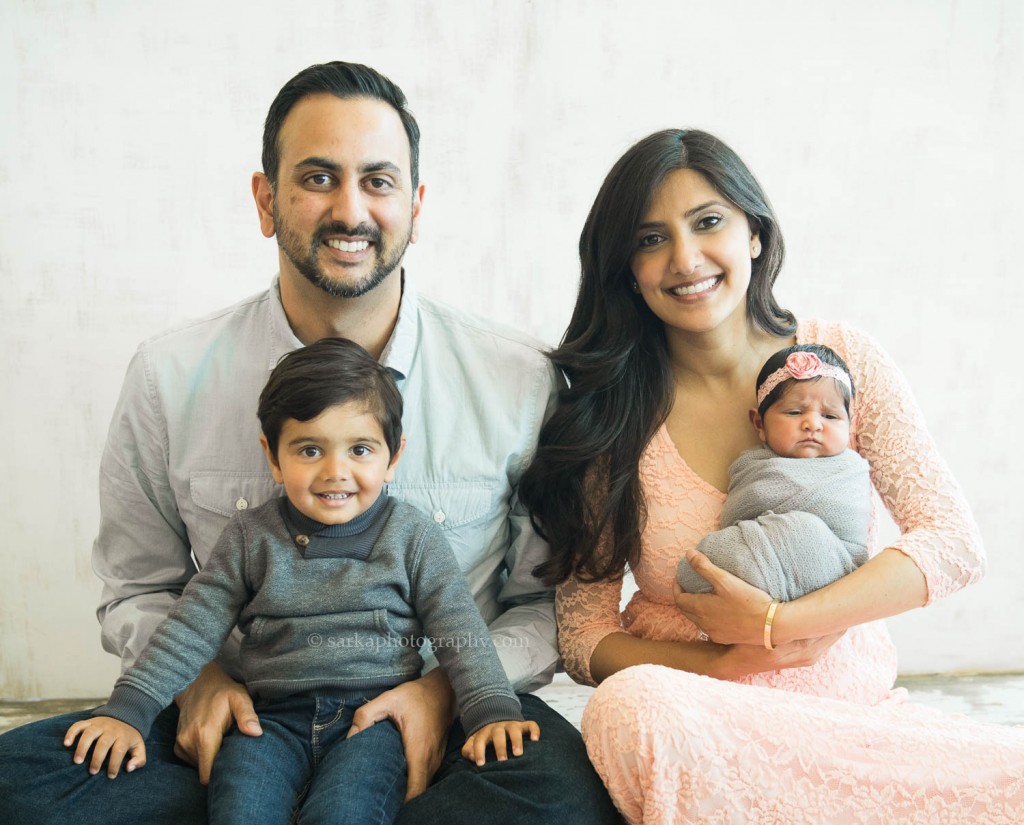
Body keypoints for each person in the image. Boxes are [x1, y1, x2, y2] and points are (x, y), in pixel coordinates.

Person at [0, 62, 618, 825]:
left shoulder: (517, 379)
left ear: (416, 207)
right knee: (20, 781)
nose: (350, 209)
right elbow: (140, 588)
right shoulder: (169, 374)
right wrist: (200, 685)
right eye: (319, 177)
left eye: (379, 181)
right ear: (266, 200)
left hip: (447, 714)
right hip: (245, 718)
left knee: (568, 799)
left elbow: (538, 605)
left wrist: (439, 693)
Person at [519, 128, 1024, 822]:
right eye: (650, 239)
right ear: (625, 268)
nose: (685, 258)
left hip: (852, 724)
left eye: (707, 222)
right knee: (628, 705)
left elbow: (953, 541)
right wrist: (720, 667)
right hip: (704, 718)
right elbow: (581, 632)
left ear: (753, 232)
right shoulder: (609, 413)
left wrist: (783, 622)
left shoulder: (843, 360)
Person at [63, 337, 540, 824]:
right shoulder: (252, 538)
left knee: (343, 814)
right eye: (310, 450)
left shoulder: (412, 536)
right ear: (272, 457)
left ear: (393, 457)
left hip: (373, 722)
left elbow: (459, 628)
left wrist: (492, 710)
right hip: (269, 721)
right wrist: (127, 711)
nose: (336, 472)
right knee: (239, 810)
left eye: (360, 449)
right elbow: (188, 628)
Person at [676, 344, 871, 603]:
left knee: (805, 532)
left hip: (835, 577)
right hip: (759, 569)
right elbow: (737, 516)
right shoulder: (751, 466)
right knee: (700, 563)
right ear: (759, 423)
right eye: (794, 412)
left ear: (849, 425)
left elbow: (853, 537)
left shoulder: (851, 472)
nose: (812, 423)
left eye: (830, 415)